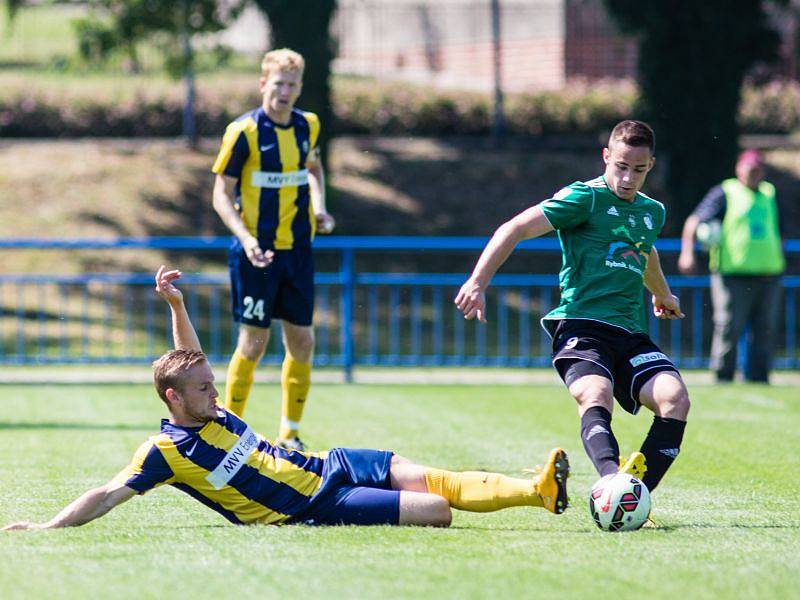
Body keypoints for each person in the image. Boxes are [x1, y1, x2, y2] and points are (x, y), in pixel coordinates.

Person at [2, 266, 570, 531]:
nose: (215, 390)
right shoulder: (164, 453)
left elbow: (190, 359)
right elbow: (104, 495)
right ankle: (529, 493)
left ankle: (537, 492)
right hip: (312, 508)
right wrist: (49, 529)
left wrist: (176, 306)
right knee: (437, 511)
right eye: (203, 388)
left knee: (434, 477)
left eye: (212, 383)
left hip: (328, 463)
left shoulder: (209, 405)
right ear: (174, 399)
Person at [455, 120, 690, 498]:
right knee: (595, 393)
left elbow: (644, 251)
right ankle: (611, 482)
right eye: (622, 167)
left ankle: (633, 498)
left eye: (640, 170)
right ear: (606, 157)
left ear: (651, 166)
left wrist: (663, 294)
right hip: (582, 326)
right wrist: (477, 282)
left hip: (631, 333)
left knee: (674, 398)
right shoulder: (585, 198)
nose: (629, 178)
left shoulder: (652, 212)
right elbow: (514, 228)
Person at [211, 48, 335, 451]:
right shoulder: (244, 132)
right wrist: (246, 239)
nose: (285, 91)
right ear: (263, 84)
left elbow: (313, 170)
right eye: (278, 83)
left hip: (298, 252)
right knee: (254, 343)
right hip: (255, 255)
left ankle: (290, 433)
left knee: (302, 341)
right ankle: (229, 432)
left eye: (292, 84)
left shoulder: (307, 126)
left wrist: (319, 208)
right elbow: (220, 193)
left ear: (299, 89)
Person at [678, 149, 785, 383]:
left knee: (765, 330)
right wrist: (687, 253)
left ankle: (759, 377)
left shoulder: (769, 193)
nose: (753, 175)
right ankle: (723, 375)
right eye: (749, 170)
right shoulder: (725, 192)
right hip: (732, 275)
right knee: (728, 327)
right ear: (739, 169)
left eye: (757, 170)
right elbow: (694, 220)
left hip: (768, 274)